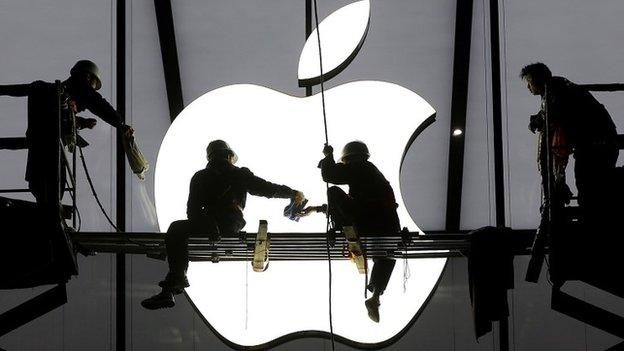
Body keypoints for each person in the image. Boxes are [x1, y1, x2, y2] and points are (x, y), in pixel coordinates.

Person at [141, 140, 305, 310]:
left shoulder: (200, 177)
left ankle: (174, 282)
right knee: (178, 228)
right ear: (229, 155)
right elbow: (265, 188)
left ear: (210, 157)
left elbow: (192, 211)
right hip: (230, 223)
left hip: (211, 223)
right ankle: (172, 284)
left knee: (176, 229)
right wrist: (292, 193)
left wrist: (207, 223)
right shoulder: (239, 174)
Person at [0, 59, 134, 210]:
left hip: (39, 147)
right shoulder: (74, 89)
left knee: (41, 188)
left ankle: (48, 214)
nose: (90, 91)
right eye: (92, 86)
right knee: (52, 188)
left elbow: (57, 116)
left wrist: (81, 122)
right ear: (87, 77)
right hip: (51, 150)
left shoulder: (46, 90)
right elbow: (98, 104)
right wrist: (120, 124)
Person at [311, 141, 400, 323]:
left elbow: (330, 176)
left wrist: (328, 156)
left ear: (348, 158)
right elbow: (353, 202)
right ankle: (375, 297)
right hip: (387, 225)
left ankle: (342, 228)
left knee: (334, 192)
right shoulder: (372, 173)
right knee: (386, 256)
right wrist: (318, 209)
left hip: (366, 218)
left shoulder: (359, 167)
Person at [520, 62, 618, 226]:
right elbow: (551, 112)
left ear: (538, 80)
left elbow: (551, 113)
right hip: (602, 143)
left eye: (529, 82)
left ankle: (593, 226)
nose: (528, 87)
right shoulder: (561, 88)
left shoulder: (556, 93)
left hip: (594, 146)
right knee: (594, 187)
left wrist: (537, 121)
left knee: (588, 187)